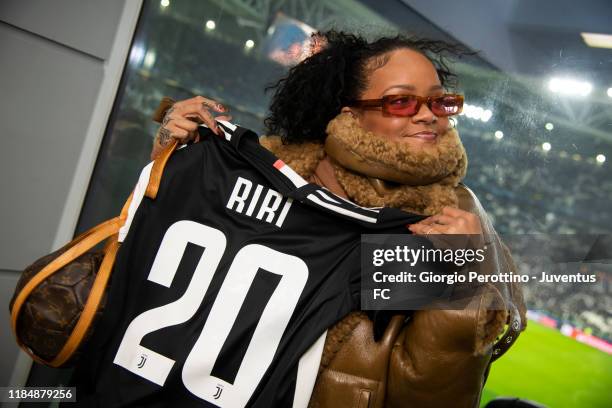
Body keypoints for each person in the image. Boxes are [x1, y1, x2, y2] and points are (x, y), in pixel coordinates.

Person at [149, 31, 526, 407]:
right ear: (352, 114)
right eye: (402, 101)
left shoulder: (450, 214)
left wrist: (466, 280)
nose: (427, 115)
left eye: (439, 102)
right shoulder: (274, 167)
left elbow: (431, 393)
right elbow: (170, 271)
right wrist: (172, 161)